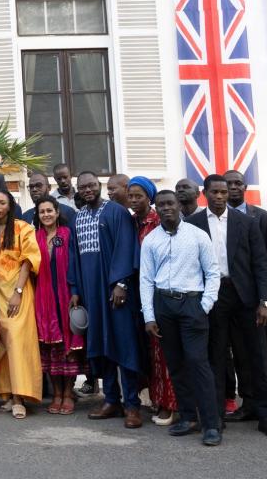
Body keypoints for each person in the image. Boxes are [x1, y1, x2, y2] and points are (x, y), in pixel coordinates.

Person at [187, 174, 267, 439]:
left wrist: (265, 302)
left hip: (246, 299)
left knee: (257, 357)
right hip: (212, 298)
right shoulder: (192, 223)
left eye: (223, 192)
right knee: (215, 358)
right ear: (204, 193)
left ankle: (266, 415)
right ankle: (215, 418)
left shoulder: (247, 222)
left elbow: (261, 264)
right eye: (214, 192)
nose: (219, 196)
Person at [139, 189, 222, 447]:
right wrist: (149, 316)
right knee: (176, 365)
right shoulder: (151, 240)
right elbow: (146, 279)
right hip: (164, 306)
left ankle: (211, 424)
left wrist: (204, 305)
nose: (166, 208)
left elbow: (213, 273)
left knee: (198, 363)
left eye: (170, 203)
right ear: (157, 207)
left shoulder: (198, 236)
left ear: (178, 206)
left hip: (192, 305)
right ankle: (187, 417)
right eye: (161, 204)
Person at [69, 171, 143, 427]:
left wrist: (121, 283)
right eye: (83, 187)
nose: (87, 189)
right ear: (78, 190)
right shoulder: (78, 219)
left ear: (98, 186)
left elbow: (126, 247)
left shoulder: (116, 213)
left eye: (91, 185)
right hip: (92, 294)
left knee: (124, 344)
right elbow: (74, 258)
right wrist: (76, 289)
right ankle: (111, 399)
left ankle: (132, 404)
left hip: (115, 293)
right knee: (102, 346)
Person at [224, 168, 267, 426]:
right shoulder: (218, 219)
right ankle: (249, 403)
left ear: (245, 186)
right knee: (241, 354)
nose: (234, 188)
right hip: (233, 301)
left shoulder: (262, 218)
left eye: (238, 183)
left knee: (266, 354)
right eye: (229, 184)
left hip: (260, 300)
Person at [0, 188, 42, 419]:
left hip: (17, 290)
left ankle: (20, 397)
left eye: (2, 203)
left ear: (10, 206)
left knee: (18, 340)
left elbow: (28, 261)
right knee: (3, 341)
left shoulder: (22, 228)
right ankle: (7, 393)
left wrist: (18, 291)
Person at [126, 176, 176, 426]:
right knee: (144, 349)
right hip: (135, 292)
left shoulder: (159, 222)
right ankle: (153, 397)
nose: (134, 200)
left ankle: (169, 403)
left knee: (161, 350)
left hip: (159, 293)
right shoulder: (130, 221)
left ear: (150, 197)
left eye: (139, 196)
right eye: (130, 195)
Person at [34, 196, 82, 415]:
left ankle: (68, 393)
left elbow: (74, 265)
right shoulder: (35, 237)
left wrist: (74, 291)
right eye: (42, 211)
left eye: (49, 211)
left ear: (57, 211)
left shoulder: (67, 234)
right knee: (50, 346)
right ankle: (56, 394)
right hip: (43, 296)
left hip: (65, 295)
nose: (46, 215)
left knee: (67, 345)